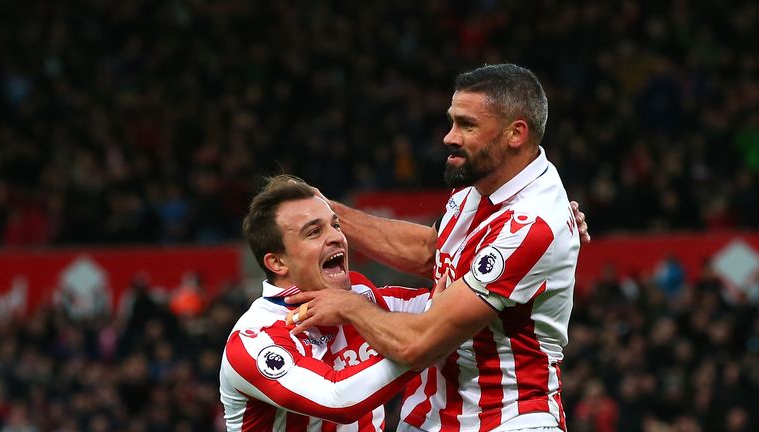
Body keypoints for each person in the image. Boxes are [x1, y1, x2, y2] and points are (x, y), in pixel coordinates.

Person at [288, 64, 584, 431]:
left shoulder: (533, 224)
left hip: (505, 419)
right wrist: (326, 211)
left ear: (516, 133)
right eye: (452, 121)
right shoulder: (485, 181)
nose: (449, 137)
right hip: (434, 415)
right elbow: (433, 251)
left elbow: (421, 344)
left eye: (467, 125)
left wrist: (349, 306)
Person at [219, 175, 435, 431]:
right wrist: (422, 343)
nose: (336, 237)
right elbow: (337, 400)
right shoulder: (255, 340)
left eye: (335, 225)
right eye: (314, 232)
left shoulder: (360, 294)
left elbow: (443, 307)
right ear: (277, 263)